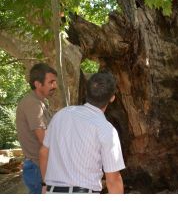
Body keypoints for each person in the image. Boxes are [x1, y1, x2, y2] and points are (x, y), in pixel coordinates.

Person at [39, 72, 125, 194]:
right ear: (112, 98)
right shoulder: (107, 129)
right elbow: (113, 179)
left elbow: (43, 153)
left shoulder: (61, 115)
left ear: (86, 92)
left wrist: (44, 184)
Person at [16, 63, 58, 194]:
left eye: (55, 82)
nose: (54, 86)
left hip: (40, 167)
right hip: (37, 169)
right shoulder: (32, 104)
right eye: (51, 82)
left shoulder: (40, 102)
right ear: (38, 84)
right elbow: (44, 140)